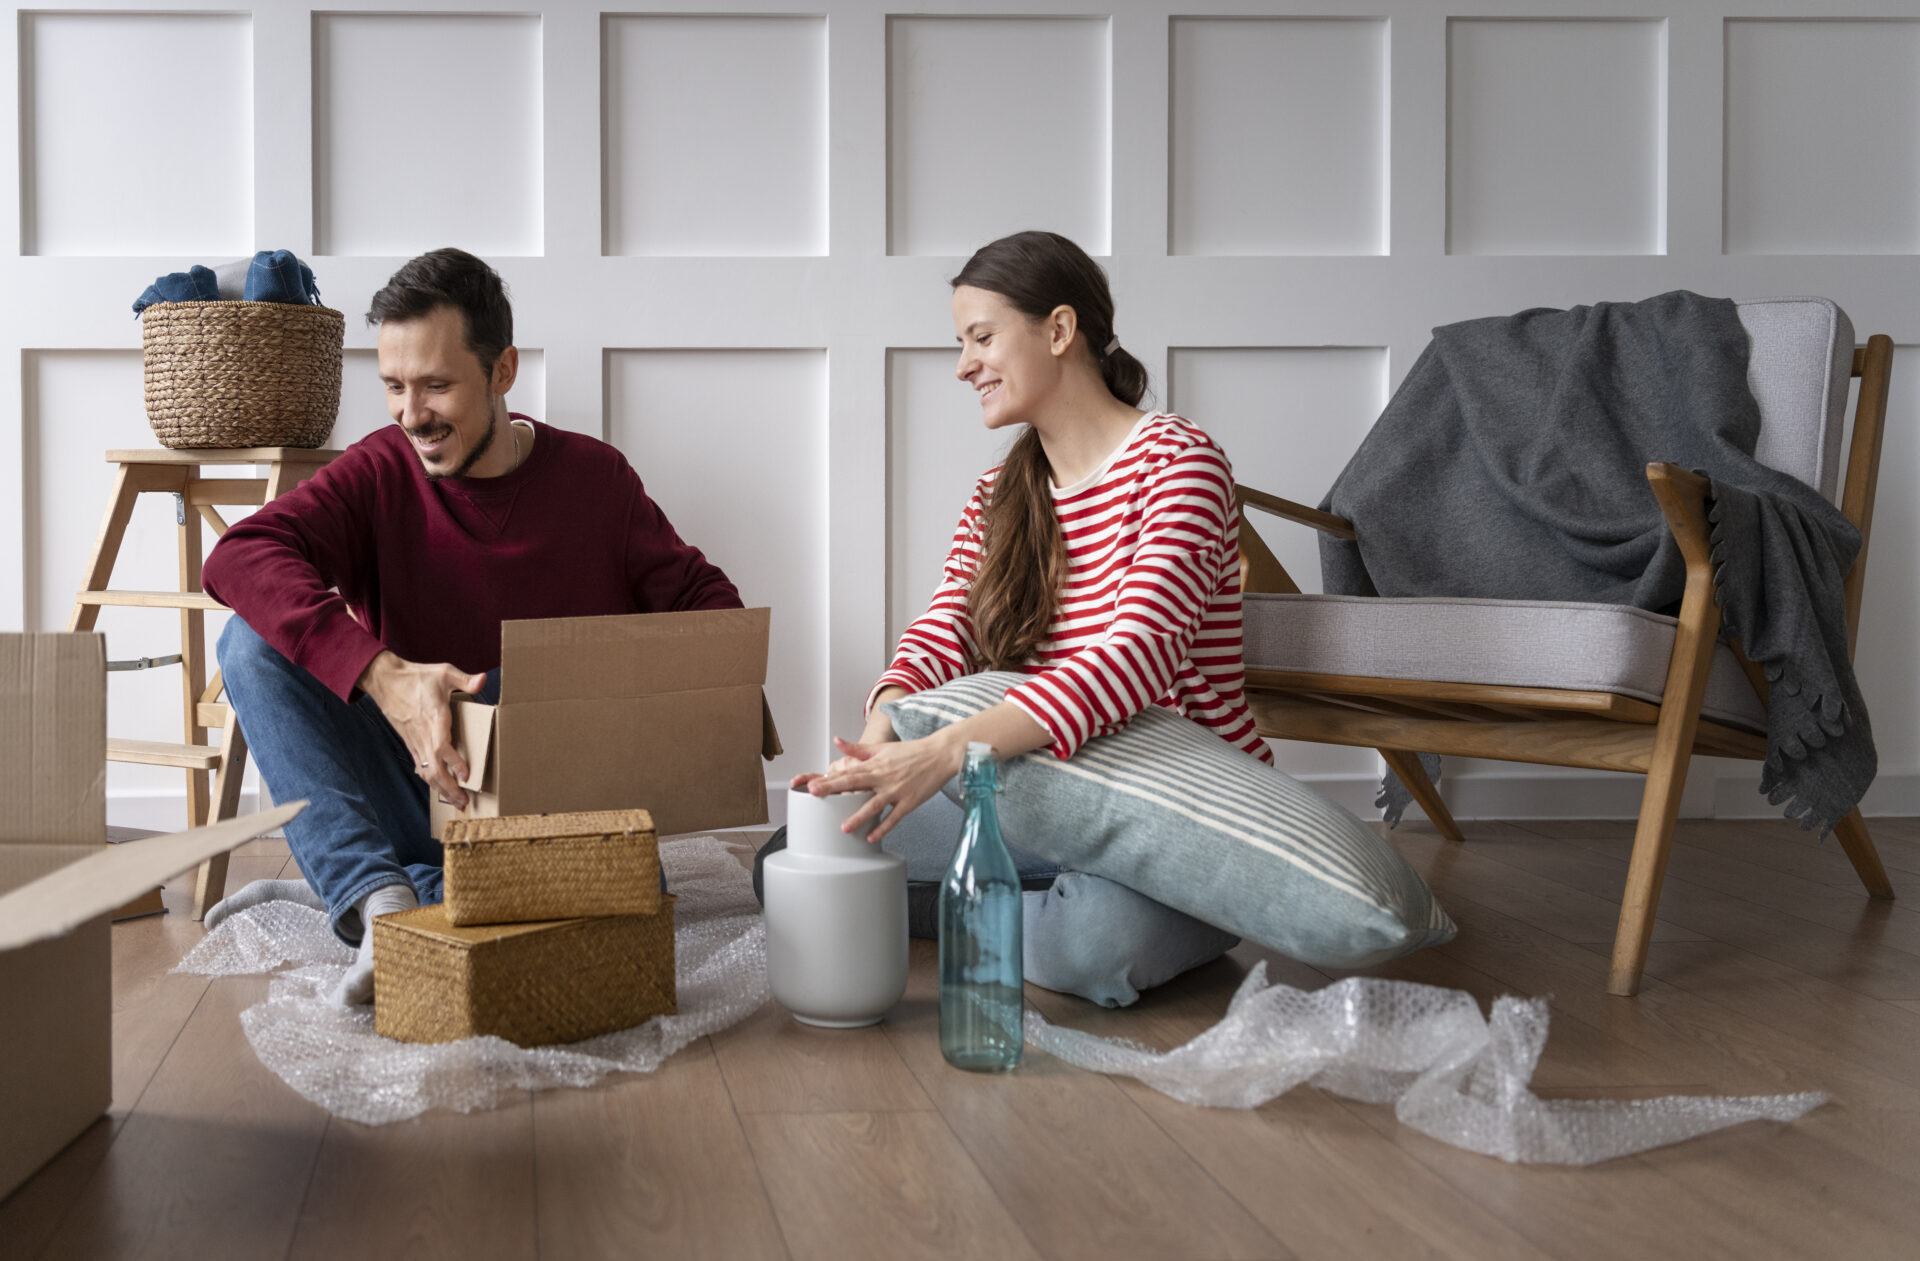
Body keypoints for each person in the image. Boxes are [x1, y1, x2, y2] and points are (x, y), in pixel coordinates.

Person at [200, 248, 743, 1004]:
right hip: (415, 783)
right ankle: (380, 902)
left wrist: (623, 706)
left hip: (551, 821)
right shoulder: (379, 469)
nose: (411, 413)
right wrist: (385, 677)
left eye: (437, 385)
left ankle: (358, 890)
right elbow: (240, 556)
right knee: (247, 645)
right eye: (393, 386)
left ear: (503, 371)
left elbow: (711, 612)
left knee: (624, 889)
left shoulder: (596, 480)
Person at [789, 229, 1269, 1007]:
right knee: (803, 851)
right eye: (960, 342)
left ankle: (1046, 911)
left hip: (1174, 810)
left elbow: (1138, 655)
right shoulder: (999, 495)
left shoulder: (1180, 461)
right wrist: (882, 730)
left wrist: (942, 752)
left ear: (1058, 329)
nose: (963, 364)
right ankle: (1012, 903)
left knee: (1086, 951)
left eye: (981, 337)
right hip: (1047, 792)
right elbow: (950, 625)